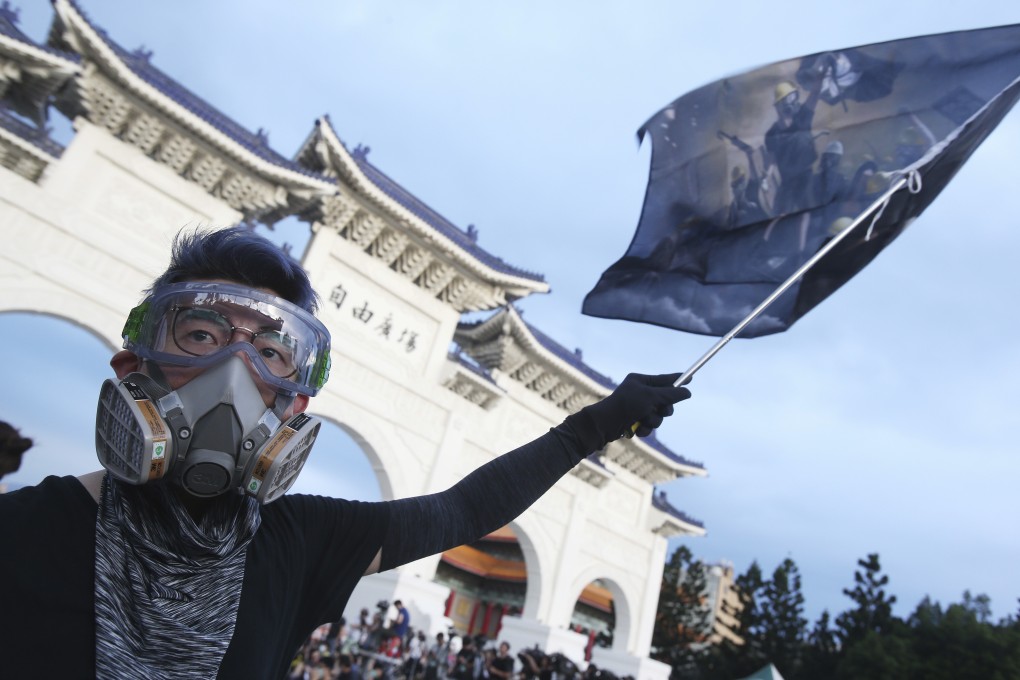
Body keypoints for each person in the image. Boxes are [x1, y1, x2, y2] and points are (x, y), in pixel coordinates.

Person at [0, 227, 691, 679]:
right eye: (204, 336)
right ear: (133, 367)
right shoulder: (20, 533)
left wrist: (593, 426)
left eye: (272, 353)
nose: (236, 373)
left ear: (293, 405)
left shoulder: (297, 544)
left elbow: (466, 509)